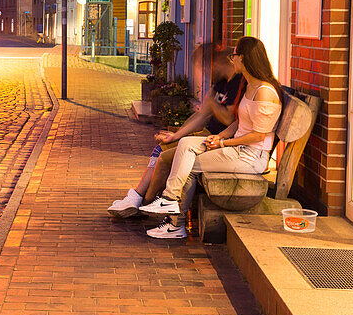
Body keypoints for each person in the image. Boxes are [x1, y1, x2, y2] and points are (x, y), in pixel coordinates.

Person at [139, 36, 284, 239]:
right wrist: (219, 136)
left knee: (188, 164)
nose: (232, 59)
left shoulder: (264, 92)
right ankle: (169, 201)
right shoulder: (251, 87)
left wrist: (224, 142)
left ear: (243, 58)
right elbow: (239, 123)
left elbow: (258, 135)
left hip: (251, 157)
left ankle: (174, 220)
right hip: (236, 149)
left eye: (235, 55)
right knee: (185, 144)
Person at [107, 42, 245, 217]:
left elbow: (229, 119)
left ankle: (142, 203)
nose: (203, 74)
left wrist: (213, 104)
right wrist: (176, 135)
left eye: (203, 68)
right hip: (208, 135)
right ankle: (138, 199)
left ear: (214, 63)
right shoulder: (222, 82)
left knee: (165, 157)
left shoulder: (238, 83)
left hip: (218, 140)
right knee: (161, 148)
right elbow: (201, 115)